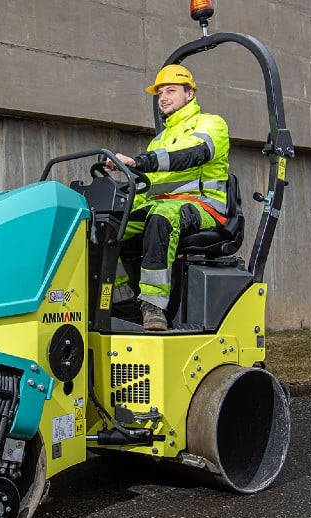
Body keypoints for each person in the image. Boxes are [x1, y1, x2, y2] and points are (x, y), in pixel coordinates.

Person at [105, 64, 230, 330]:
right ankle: (122, 302)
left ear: (190, 94)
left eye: (171, 90)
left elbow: (191, 154)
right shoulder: (160, 139)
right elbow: (151, 183)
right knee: (105, 225)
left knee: (162, 217)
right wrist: (125, 181)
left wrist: (140, 162)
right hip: (160, 205)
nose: (163, 97)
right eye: (160, 92)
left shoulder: (211, 124)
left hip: (203, 207)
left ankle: (153, 307)